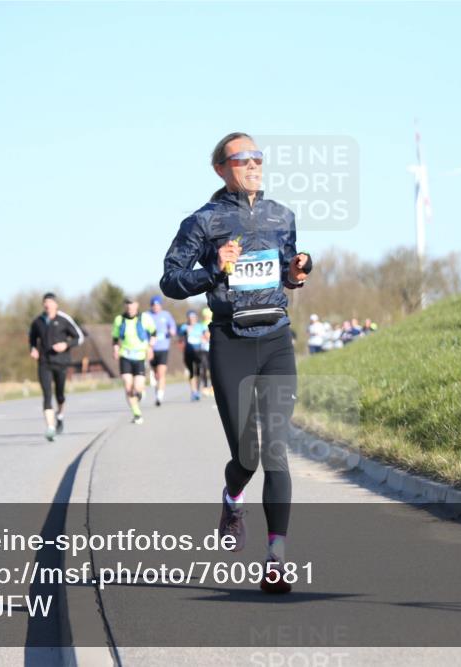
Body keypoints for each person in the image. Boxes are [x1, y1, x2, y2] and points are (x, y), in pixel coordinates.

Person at [160, 131, 312, 594]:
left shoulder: (281, 215)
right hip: (231, 341)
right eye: (241, 159)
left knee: (276, 452)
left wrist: (298, 269)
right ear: (221, 169)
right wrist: (214, 269)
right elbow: (171, 280)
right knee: (246, 455)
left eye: (258, 158)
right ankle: (232, 497)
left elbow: (287, 269)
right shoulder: (202, 223)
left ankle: (275, 560)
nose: (253, 164)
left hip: (276, 339)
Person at [28, 293, 84, 441]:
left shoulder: (64, 319)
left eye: (50, 302)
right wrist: (33, 349)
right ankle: (50, 428)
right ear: (43, 305)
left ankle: (60, 415)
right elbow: (32, 339)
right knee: (47, 395)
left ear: (55, 304)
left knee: (60, 395)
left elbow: (79, 337)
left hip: (61, 362)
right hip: (44, 363)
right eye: (45, 302)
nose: (47, 305)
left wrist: (66, 344)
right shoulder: (38, 322)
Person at [112, 298, 156, 425]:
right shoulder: (119, 320)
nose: (130, 309)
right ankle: (137, 413)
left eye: (132, 306)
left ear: (137, 306)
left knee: (137, 387)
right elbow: (115, 338)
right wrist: (115, 349)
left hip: (140, 356)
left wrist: (151, 347)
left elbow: (153, 332)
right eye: (128, 306)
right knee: (127, 386)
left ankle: (140, 391)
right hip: (125, 355)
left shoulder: (144, 318)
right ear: (125, 306)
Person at [148, 295, 177, 406]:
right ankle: (157, 390)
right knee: (155, 374)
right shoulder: (147, 315)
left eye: (157, 305)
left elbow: (172, 326)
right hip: (150, 348)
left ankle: (159, 396)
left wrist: (172, 331)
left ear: (160, 306)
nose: (156, 307)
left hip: (163, 348)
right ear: (151, 306)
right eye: (154, 305)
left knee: (161, 373)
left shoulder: (166, 315)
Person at [177, 310, 209, 401]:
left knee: (198, 370)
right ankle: (193, 391)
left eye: (193, 318)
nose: (192, 319)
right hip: (188, 351)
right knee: (191, 372)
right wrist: (185, 332)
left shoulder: (200, 326)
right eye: (190, 318)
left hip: (198, 351)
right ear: (188, 318)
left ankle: (197, 390)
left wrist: (205, 337)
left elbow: (207, 335)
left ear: (196, 318)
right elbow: (180, 336)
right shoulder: (184, 327)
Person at [199, 306, 214, 396]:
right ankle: (204, 386)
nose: (206, 317)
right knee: (204, 368)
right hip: (204, 349)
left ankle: (213, 387)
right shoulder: (201, 325)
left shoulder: (213, 323)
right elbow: (199, 336)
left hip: (212, 348)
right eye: (205, 315)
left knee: (212, 369)